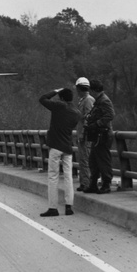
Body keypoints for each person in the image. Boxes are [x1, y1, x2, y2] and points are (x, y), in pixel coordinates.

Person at [38, 87, 81, 216]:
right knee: (68, 177)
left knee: (53, 176)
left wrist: (55, 91)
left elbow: (42, 99)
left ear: (61, 98)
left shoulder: (59, 106)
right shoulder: (77, 112)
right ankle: (69, 207)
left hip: (56, 146)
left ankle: (53, 208)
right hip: (67, 147)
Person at [84, 79, 116, 193]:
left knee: (103, 160)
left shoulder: (104, 100)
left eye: (90, 90)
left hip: (103, 134)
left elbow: (110, 115)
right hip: (98, 135)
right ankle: (93, 184)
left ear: (94, 90)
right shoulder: (99, 100)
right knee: (93, 160)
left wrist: (96, 124)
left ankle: (106, 184)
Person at [74, 77, 95, 191]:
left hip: (86, 136)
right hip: (82, 134)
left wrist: (82, 133)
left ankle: (87, 183)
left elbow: (88, 118)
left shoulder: (88, 100)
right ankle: (84, 182)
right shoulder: (83, 99)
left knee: (85, 160)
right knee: (82, 159)